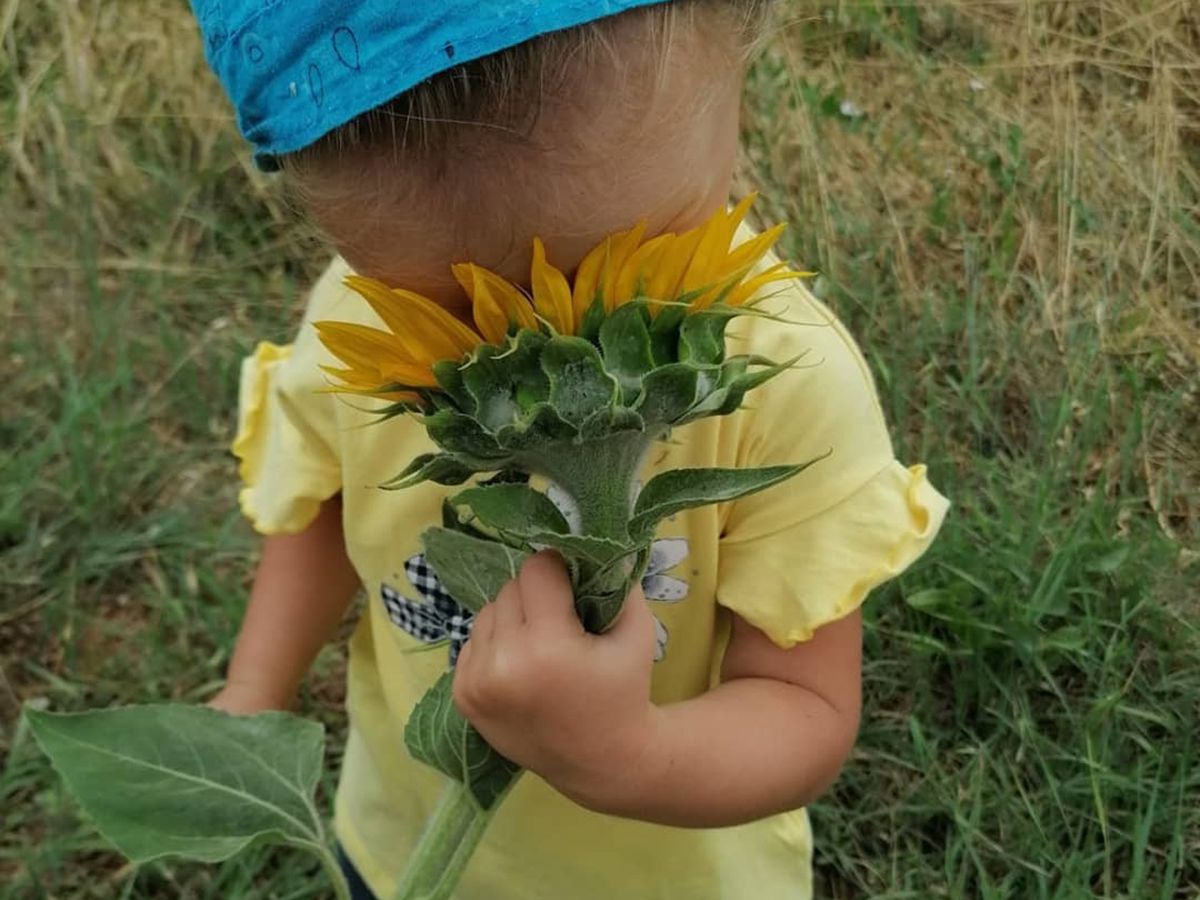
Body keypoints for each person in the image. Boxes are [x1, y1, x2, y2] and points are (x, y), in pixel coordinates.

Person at [193, 2, 949, 897]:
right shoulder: (363, 323)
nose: (536, 365)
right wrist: (253, 691)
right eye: (459, 315)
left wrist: (631, 756)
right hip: (405, 840)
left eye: (630, 295)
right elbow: (320, 500)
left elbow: (808, 707)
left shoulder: (786, 381)